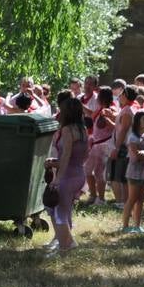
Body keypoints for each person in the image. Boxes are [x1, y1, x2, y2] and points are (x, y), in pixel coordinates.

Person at [45, 96, 88, 256]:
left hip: (67, 177)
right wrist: (54, 162)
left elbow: (67, 155)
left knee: (57, 211)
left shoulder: (67, 130)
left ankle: (67, 245)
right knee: (64, 209)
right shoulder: (83, 130)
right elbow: (82, 156)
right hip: (79, 174)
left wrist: (57, 178)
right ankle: (62, 242)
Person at [121, 110, 144, 233]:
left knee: (141, 200)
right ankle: (125, 226)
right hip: (134, 173)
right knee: (132, 199)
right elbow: (135, 157)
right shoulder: (133, 137)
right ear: (138, 122)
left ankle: (137, 225)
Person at [85, 87, 116, 205]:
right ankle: (93, 195)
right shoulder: (99, 109)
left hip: (104, 144)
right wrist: (80, 105)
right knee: (88, 170)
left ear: (102, 98)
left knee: (99, 172)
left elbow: (116, 124)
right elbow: (90, 114)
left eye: (98, 96)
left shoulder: (111, 109)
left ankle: (101, 198)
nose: (96, 98)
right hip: (96, 144)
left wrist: (108, 117)